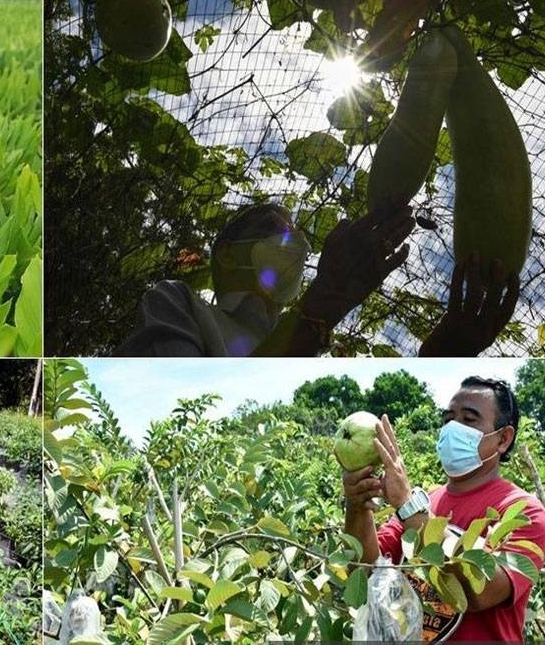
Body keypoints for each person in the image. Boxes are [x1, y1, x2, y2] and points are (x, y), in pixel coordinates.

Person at [116, 203, 519, 357]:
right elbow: (189, 409)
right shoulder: (176, 301)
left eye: (297, 238)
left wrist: (443, 353)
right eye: (275, 232)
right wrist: (322, 303)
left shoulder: (317, 340)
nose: (295, 246)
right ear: (225, 252)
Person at [343, 377, 545, 642]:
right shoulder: (427, 501)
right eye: (448, 418)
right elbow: (366, 570)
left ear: (503, 439)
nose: (452, 428)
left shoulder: (523, 512)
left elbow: (480, 591)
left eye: (469, 419)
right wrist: (357, 506)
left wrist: (408, 505)